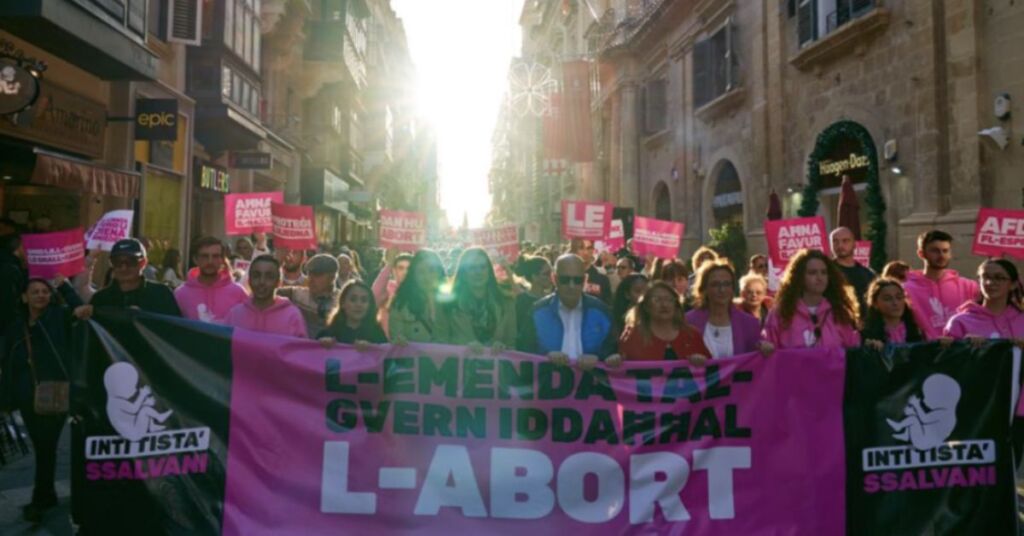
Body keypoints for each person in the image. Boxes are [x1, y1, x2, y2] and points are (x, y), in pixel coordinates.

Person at [0, 276, 86, 522]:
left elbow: (81, 311)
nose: (40, 295)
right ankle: (45, 494)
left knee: (46, 445)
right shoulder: (16, 326)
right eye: (35, 292)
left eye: (45, 292)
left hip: (54, 392)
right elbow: (9, 364)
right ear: (24, 297)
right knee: (43, 447)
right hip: (27, 396)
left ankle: (42, 497)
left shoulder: (59, 317)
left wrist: (65, 287)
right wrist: (5, 400)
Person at [518, 254, 616, 369]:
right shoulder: (537, 311)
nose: (571, 286)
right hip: (549, 383)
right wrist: (546, 355)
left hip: (592, 384)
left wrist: (599, 357)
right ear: (554, 279)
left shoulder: (602, 311)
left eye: (577, 280)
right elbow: (524, 350)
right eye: (564, 280)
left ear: (585, 280)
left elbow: (613, 350)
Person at [762, 249, 861, 349]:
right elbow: (768, 346)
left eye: (824, 272)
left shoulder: (839, 312)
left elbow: (852, 348)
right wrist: (764, 346)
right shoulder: (781, 313)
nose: (819, 277)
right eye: (812, 273)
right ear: (799, 277)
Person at [902, 230, 980, 340]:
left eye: (945, 251)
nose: (941, 255)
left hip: (963, 351)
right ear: (921, 254)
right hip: (927, 351)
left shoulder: (969, 286)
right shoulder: (906, 289)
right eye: (935, 251)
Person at [686, 261, 773, 358]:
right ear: (704, 288)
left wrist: (764, 347)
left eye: (727, 284)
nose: (722, 289)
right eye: (715, 284)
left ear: (733, 288)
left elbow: (756, 361)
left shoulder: (749, 324)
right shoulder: (688, 322)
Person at [438, 247, 517, 348]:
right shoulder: (447, 303)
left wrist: (503, 347)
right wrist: (464, 348)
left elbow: (512, 342)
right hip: (462, 363)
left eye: (482, 267)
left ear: (489, 271)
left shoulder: (506, 301)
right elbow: (441, 342)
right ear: (463, 273)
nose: (478, 272)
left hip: (496, 363)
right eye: (472, 268)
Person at [619, 281, 710, 364]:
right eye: (657, 300)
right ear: (646, 306)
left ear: (676, 305)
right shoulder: (633, 335)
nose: (664, 305)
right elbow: (621, 372)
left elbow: (711, 369)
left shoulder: (692, 334)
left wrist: (702, 361)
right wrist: (614, 360)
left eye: (669, 299)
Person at [86, 239, 181, 315]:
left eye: (130, 261)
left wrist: (143, 317)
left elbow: (174, 330)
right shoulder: (101, 299)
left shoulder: (161, 295)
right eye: (117, 262)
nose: (123, 268)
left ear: (143, 263)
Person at [943, 259, 1024, 344]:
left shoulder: (1021, 319)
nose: (990, 282)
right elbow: (948, 354)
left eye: (999, 278)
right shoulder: (960, 322)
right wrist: (966, 347)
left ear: (1013, 284)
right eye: (985, 277)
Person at [225, 255, 307, 337]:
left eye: (269, 277)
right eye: (256, 276)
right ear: (249, 280)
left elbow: (302, 348)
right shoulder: (235, 314)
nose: (262, 282)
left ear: (279, 283)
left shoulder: (292, 316)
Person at [174, 236, 249, 323]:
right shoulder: (180, 294)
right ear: (195, 259)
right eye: (205, 256)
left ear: (222, 260)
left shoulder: (238, 292)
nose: (210, 261)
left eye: (215, 256)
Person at [388, 249, 446, 344]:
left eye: (431, 270)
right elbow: (395, 335)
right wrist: (399, 341)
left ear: (440, 272)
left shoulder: (452, 304)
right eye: (421, 272)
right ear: (413, 275)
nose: (427, 277)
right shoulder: (400, 304)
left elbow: (460, 337)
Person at [278, 254, 342, 338]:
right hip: (304, 349)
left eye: (317, 275)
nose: (310, 279)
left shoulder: (343, 300)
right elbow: (268, 293)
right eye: (309, 274)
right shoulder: (298, 294)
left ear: (332, 277)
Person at [318, 280, 388, 346]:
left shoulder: (377, 334)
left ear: (369, 305)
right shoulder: (328, 333)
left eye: (364, 300)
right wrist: (321, 345)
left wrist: (372, 348)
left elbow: (387, 355)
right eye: (353, 299)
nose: (358, 304)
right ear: (343, 303)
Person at [861, 278, 925, 348]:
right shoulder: (868, 335)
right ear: (875, 304)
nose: (895, 303)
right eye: (887, 299)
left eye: (899, 297)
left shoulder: (916, 328)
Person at [830, 227, 876, 314]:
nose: (840, 245)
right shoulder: (825, 272)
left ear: (854, 244)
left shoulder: (868, 274)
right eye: (835, 241)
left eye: (845, 241)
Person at [372, 252, 412, 336]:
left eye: (409, 268)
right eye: (401, 268)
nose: (405, 272)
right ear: (394, 270)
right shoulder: (387, 288)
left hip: (411, 343)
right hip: (388, 342)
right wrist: (389, 265)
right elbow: (374, 296)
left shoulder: (420, 291)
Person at [513, 255, 553, 339]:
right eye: (546, 274)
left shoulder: (552, 298)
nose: (551, 277)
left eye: (552, 272)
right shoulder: (522, 301)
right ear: (534, 276)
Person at [569, 238, 612, 304]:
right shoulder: (565, 277)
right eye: (581, 248)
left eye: (589, 248)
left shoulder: (602, 279)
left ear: (593, 250)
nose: (586, 252)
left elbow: (608, 306)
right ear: (574, 250)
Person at [0, 233, 27, 334]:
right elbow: (9, 299)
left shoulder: (10, 266)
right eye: (25, 246)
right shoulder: (10, 270)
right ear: (19, 248)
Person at [611, 273, 648, 339]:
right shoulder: (619, 320)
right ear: (627, 294)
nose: (644, 295)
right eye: (638, 291)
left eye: (647, 291)